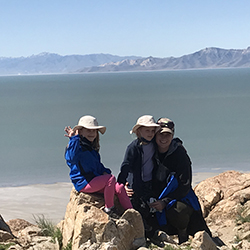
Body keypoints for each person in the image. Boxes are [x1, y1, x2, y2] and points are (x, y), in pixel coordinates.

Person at [149, 117, 212, 244]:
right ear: (155, 135)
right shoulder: (149, 152)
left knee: (178, 211)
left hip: (177, 198)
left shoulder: (180, 154)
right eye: (160, 134)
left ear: (172, 135)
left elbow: (184, 186)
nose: (164, 138)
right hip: (155, 197)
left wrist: (165, 202)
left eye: (167, 134)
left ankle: (183, 234)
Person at [64, 115, 132, 216]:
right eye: (88, 130)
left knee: (119, 187)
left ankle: (132, 214)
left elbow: (97, 166)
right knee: (110, 179)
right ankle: (109, 209)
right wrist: (73, 139)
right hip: (83, 182)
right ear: (81, 132)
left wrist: (104, 171)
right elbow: (71, 159)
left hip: (94, 180)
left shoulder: (92, 149)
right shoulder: (76, 147)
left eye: (94, 131)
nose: (92, 133)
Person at [117, 115, 161, 241]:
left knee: (151, 207)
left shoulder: (154, 144)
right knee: (136, 209)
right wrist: (121, 186)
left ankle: (154, 231)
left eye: (153, 131)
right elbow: (125, 167)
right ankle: (147, 234)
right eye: (147, 130)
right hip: (134, 184)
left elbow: (168, 143)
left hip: (149, 183)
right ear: (138, 131)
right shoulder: (133, 147)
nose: (150, 133)